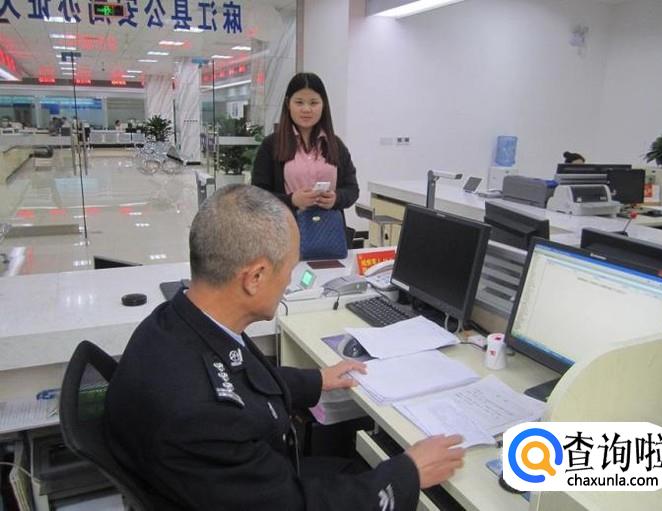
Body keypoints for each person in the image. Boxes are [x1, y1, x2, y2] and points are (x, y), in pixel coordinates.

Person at [105, 185, 465, 510]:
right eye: (290, 268)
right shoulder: (203, 418)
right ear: (255, 277)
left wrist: (317, 380)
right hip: (258, 493)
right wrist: (407, 473)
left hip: (224, 486)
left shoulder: (175, 320)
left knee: (350, 465)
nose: (291, 280)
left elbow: (239, 380)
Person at [252, 72, 359, 213]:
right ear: (288, 104)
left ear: (323, 104)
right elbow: (257, 196)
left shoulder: (335, 144)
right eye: (299, 102)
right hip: (287, 224)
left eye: (314, 103)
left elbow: (352, 189)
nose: (306, 109)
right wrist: (291, 200)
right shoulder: (271, 145)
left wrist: (336, 198)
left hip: (328, 225)